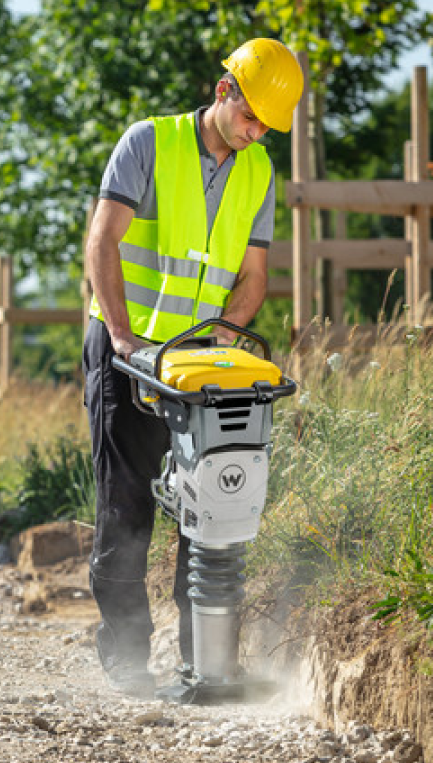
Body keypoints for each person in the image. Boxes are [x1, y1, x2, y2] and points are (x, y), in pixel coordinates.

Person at [80, 37, 302, 696]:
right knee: (125, 509)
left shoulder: (259, 171)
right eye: (250, 116)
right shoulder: (148, 143)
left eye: (267, 125)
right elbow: (103, 241)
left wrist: (222, 347)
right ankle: (126, 662)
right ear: (222, 90)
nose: (256, 131)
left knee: (206, 508)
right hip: (128, 351)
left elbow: (254, 276)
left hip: (198, 371)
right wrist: (122, 337)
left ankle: (200, 664)